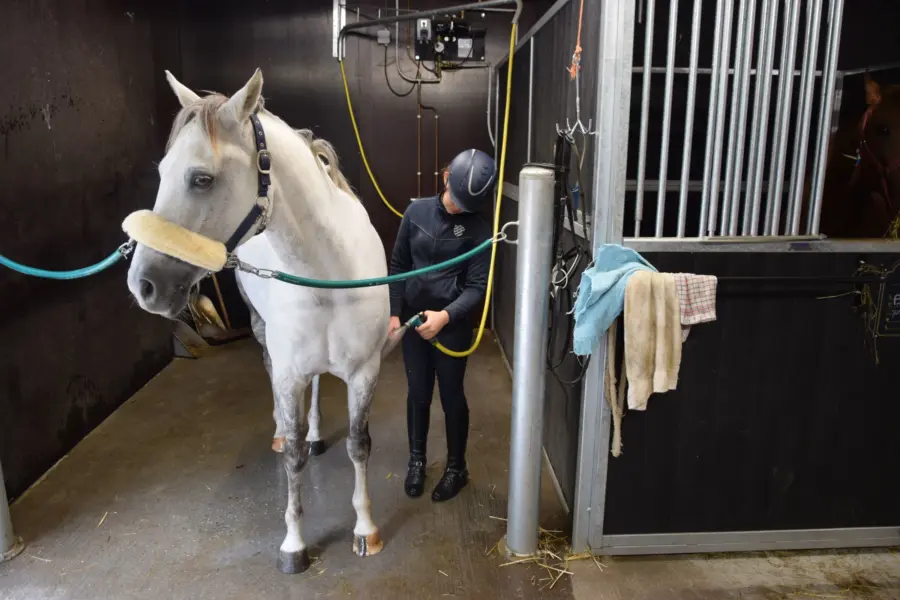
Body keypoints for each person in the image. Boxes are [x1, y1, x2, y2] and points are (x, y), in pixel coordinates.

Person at [388, 148, 497, 502]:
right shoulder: (416, 212)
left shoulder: (479, 229)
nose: (459, 209)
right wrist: (394, 312)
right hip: (415, 321)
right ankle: (417, 461)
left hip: (451, 324)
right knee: (418, 393)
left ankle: (456, 469)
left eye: (467, 206)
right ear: (446, 177)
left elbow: (477, 287)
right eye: (457, 201)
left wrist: (445, 317)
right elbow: (398, 265)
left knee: (452, 395)